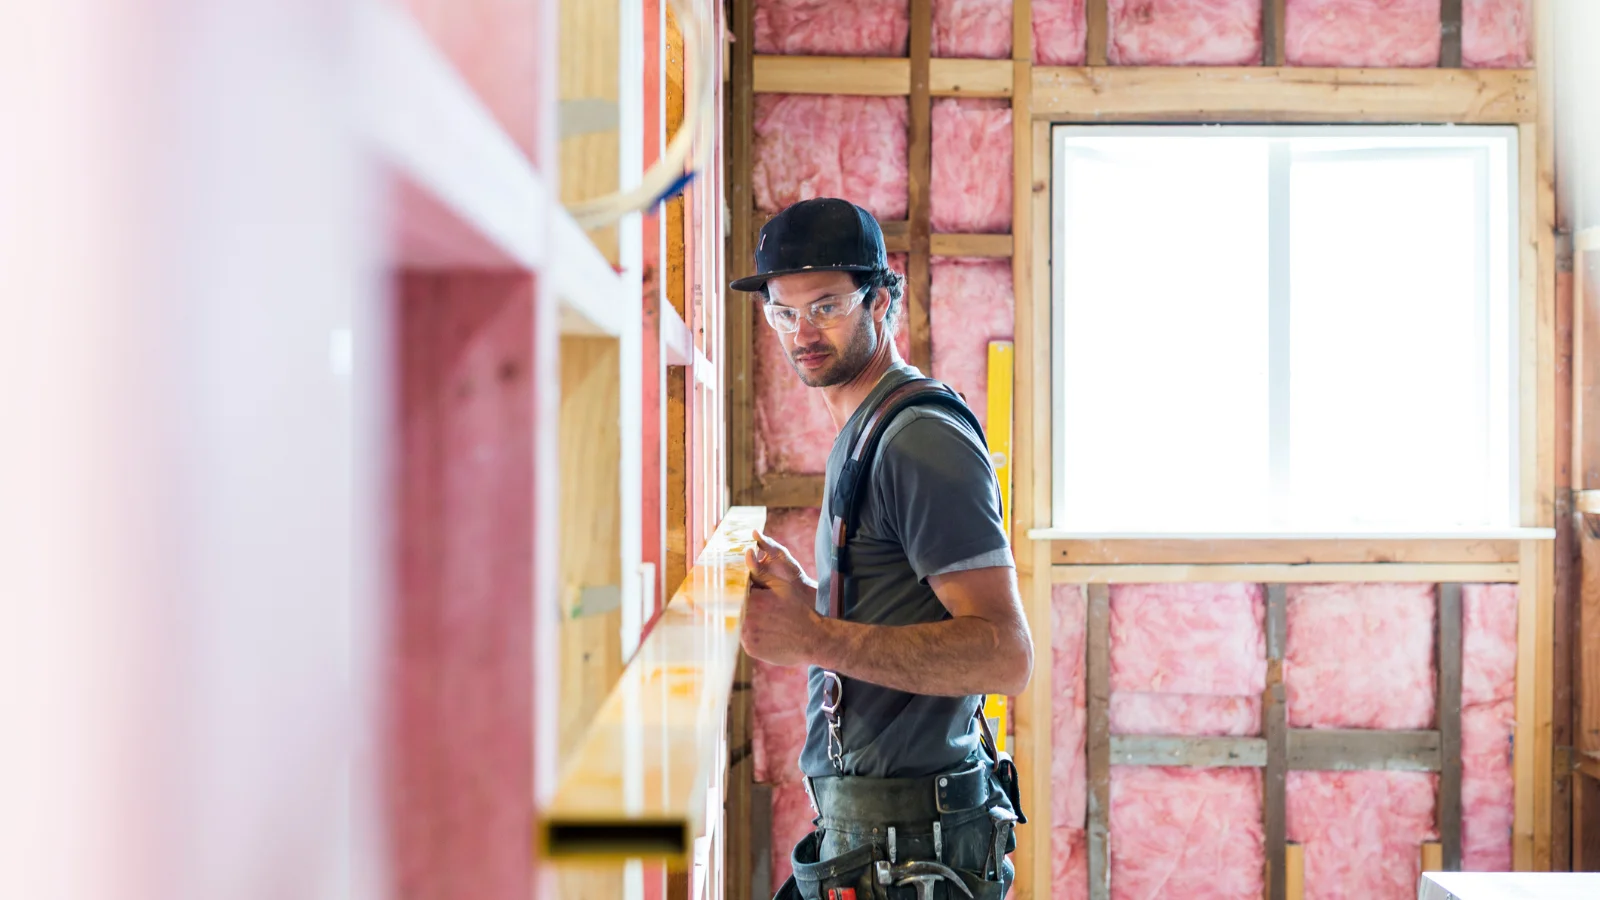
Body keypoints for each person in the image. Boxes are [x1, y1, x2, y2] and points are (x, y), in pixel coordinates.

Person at [731, 197, 1033, 900]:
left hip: (913, 851)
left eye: (827, 305)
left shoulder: (918, 440)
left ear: (882, 300)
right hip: (874, 840)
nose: (802, 331)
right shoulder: (864, 432)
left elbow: (1004, 655)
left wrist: (814, 636)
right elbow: (908, 607)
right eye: (783, 311)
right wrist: (817, 601)